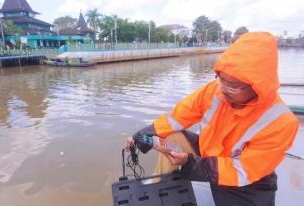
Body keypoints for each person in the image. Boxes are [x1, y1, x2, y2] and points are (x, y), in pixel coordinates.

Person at [125, 32, 299, 206]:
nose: (223, 89)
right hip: (209, 155)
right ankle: (159, 186)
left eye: (234, 85)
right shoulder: (214, 90)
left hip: (247, 183)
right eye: (221, 79)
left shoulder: (282, 123)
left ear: (258, 87)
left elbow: (244, 171)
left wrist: (191, 164)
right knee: (169, 137)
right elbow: (178, 116)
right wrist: (144, 134)